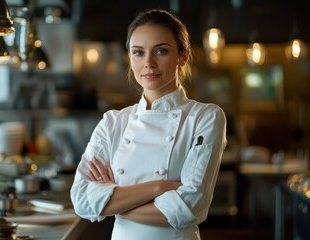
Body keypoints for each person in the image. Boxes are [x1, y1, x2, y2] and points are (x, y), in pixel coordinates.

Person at [70, 8, 227, 240]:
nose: (149, 63)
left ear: (182, 56)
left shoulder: (205, 117)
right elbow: (82, 201)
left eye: (161, 51)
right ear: (129, 58)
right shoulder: (113, 122)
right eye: (138, 52)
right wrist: (158, 188)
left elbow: (190, 208)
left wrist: (111, 201)